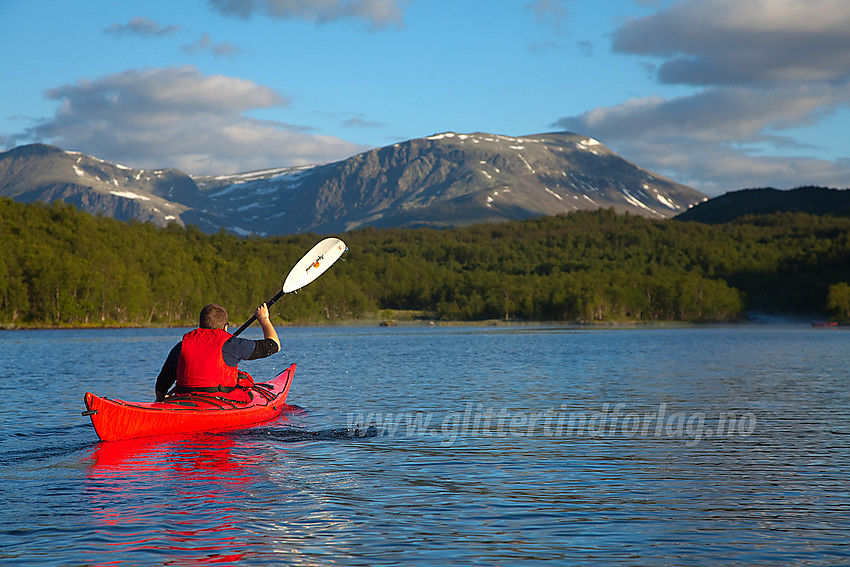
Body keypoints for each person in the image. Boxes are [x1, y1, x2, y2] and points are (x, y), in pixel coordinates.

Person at [155, 303, 280, 402]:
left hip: (184, 401)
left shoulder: (182, 345)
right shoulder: (232, 344)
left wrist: (161, 400)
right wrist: (264, 319)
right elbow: (274, 345)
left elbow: (162, 384)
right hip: (220, 402)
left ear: (200, 325)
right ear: (226, 327)